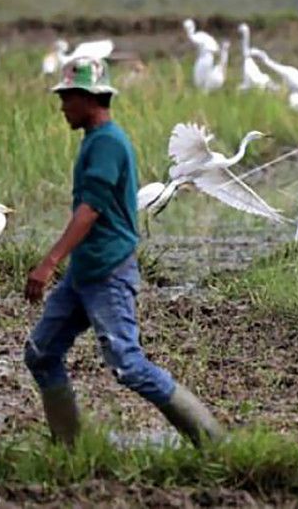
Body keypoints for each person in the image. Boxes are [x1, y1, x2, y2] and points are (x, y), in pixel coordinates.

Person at [23, 57, 223, 448]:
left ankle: (214, 443)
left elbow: (90, 210)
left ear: (90, 99)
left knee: (128, 365)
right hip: (85, 272)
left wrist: (49, 262)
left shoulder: (109, 144)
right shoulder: (95, 141)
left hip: (108, 273)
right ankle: (70, 451)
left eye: (67, 98)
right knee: (41, 353)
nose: (62, 106)